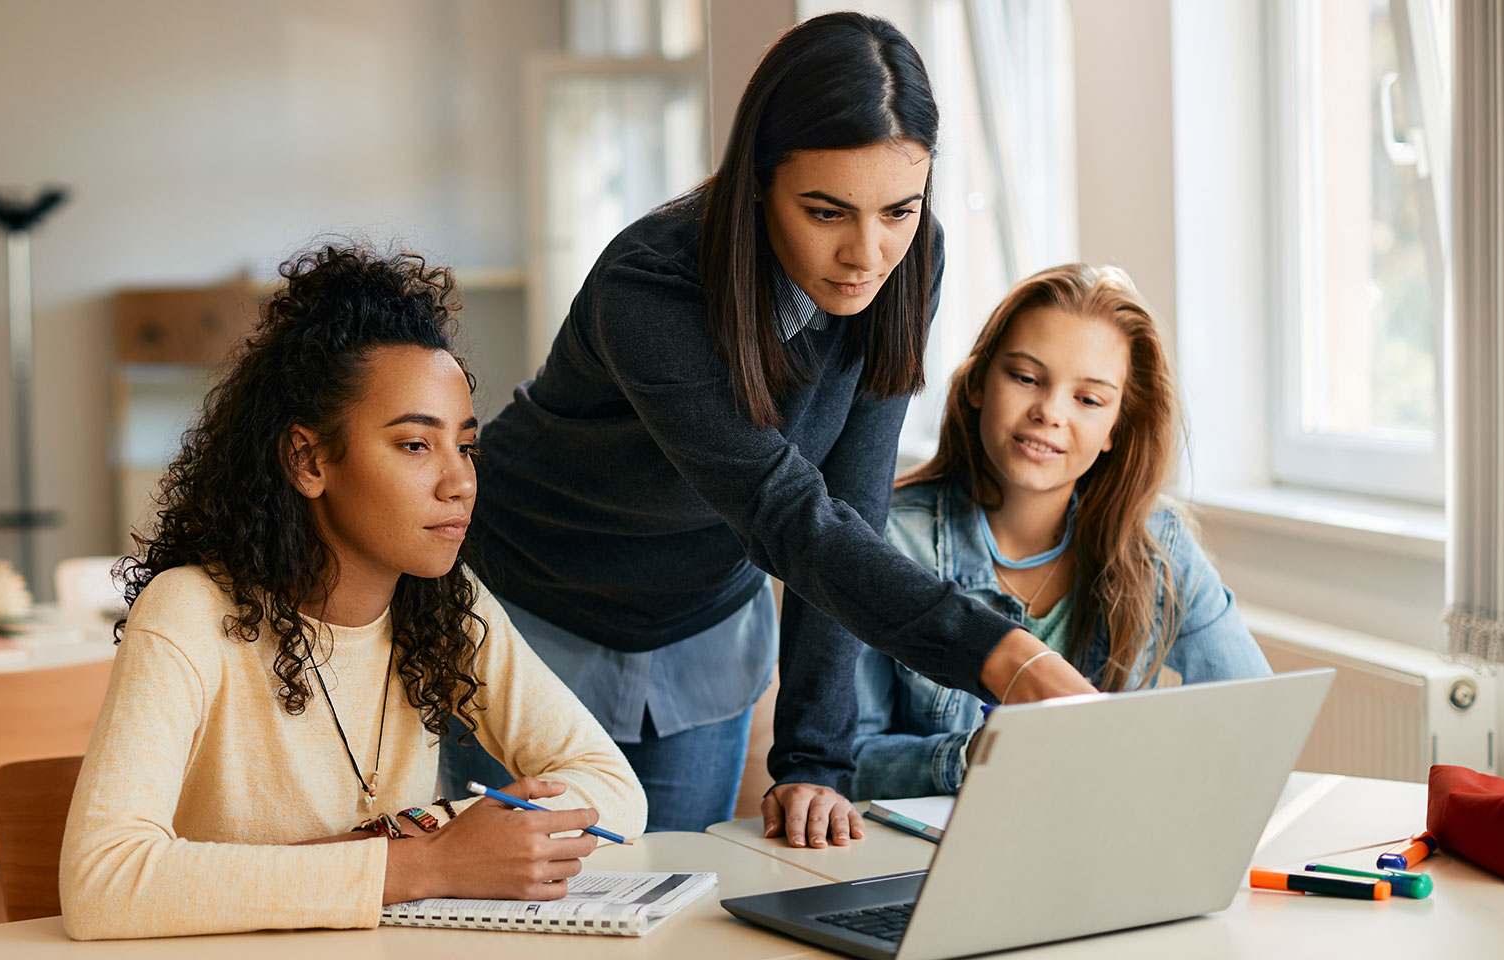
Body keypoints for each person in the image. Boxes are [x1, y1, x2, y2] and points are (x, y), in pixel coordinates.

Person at [442, 10, 1095, 842]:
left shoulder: (909, 261)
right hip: (530, 611)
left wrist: (814, 760)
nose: (868, 254)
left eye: (898, 210)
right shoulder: (650, 287)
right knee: (520, 905)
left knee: (674, 903)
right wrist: (1005, 656)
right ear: (757, 180)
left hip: (702, 628)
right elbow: (784, 512)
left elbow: (849, 509)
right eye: (827, 212)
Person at [59, 245, 645, 940]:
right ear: (308, 460)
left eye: (466, 446)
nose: (460, 481)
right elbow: (102, 881)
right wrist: (426, 862)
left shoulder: (446, 603)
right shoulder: (189, 611)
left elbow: (613, 788)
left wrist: (418, 833)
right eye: (415, 445)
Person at [849, 264, 1272, 799]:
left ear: (1116, 427)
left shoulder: (1156, 543)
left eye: (1088, 400)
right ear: (978, 383)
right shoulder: (885, 537)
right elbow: (842, 763)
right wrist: (974, 757)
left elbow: (1256, 717)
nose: (1049, 412)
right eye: (1026, 378)